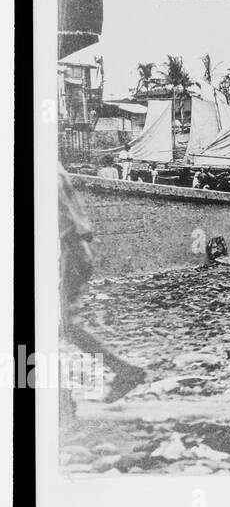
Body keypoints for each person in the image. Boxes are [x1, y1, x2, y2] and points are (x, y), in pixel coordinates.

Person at [58, 165, 147, 403]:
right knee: (63, 324)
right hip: (74, 248)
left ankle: (60, 401)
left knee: (60, 324)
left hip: (68, 250)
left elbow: (60, 219)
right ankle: (122, 370)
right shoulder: (51, 166)